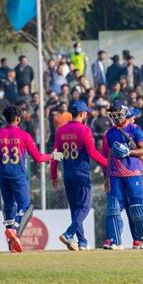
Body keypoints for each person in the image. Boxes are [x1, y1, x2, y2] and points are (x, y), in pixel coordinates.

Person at [0, 106, 63, 253]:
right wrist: (52, 156)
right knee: (26, 207)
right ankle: (15, 230)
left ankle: (11, 244)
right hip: (18, 176)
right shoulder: (24, 136)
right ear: (17, 118)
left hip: (3, 175)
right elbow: (38, 157)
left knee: (9, 206)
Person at [51, 101, 108, 250]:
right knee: (85, 206)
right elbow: (93, 153)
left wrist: (53, 174)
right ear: (83, 114)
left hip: (67, 173)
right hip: (81, 173)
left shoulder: (61, 131)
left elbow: (56, 154)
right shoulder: (85, 130)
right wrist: (108, 163)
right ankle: (69, 234)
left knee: (75, 208)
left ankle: (82, 241)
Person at [102, 100, 143, 250]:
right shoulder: (110, 133)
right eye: (113, 113)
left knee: (136, 208)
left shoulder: (135, 129)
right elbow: (110, 155)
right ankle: (115, 241)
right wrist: (106, 177)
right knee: (113, 208)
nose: (115, 116)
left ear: (124, 112)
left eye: (117, 113)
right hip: (116, 174)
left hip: (133, 173)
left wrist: (129, 152)